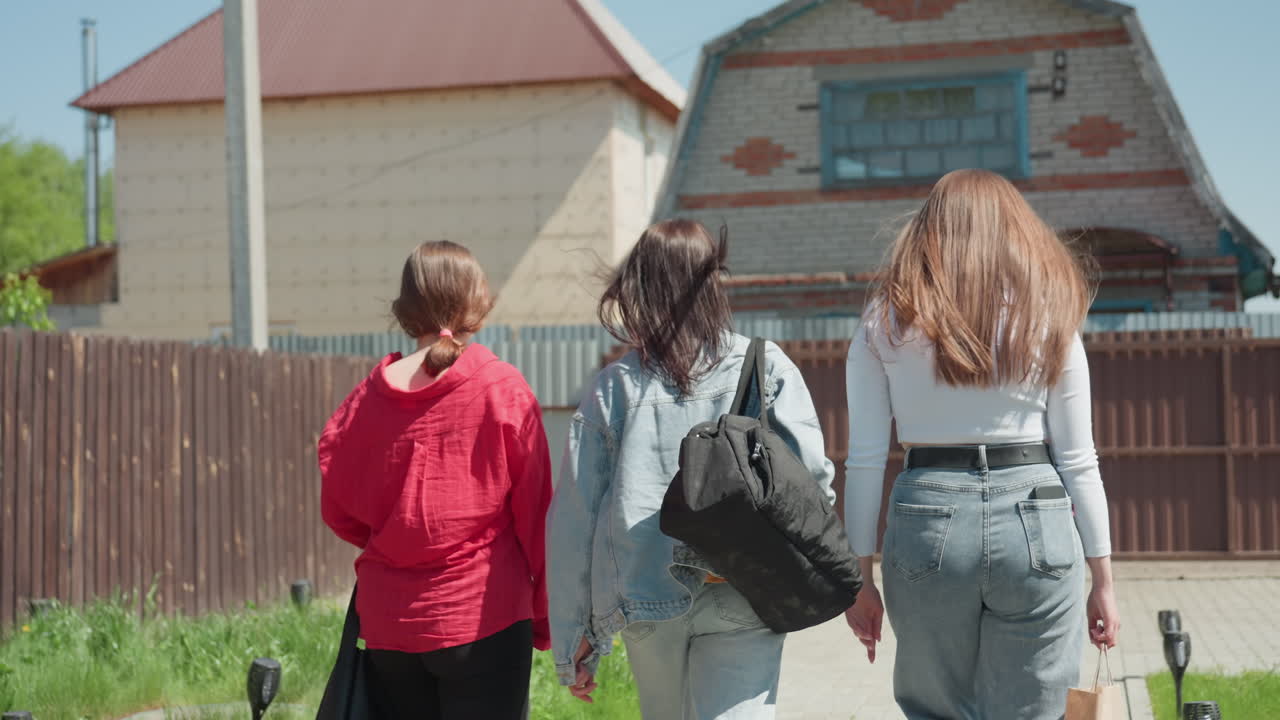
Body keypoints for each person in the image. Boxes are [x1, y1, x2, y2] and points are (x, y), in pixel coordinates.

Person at [843, 169, 1120, 719]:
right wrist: (1104, 580)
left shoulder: (886, 319)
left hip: (928, 515)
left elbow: (865, 462)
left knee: (937, 709)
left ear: (929, 230)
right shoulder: (1051, 313)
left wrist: (860, 578)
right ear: (1016, 230)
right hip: (1036, 518)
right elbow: (1078, 461)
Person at [546, 219, 836, 720]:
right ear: (713, 281)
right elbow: (813, 485)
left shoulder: (614, 388)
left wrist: (576, 638)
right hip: (745, 588)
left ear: (638, 286)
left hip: (645, 592)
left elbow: (574, 520)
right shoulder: (766, 366)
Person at [318, 240, 552, 720]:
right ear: (476, 302)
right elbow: (539, 516)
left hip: (389, 625)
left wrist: (398, 539)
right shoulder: (500, 388)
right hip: (483, 615)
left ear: (405, 308)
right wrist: (549, 618)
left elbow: (339, 510)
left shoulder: (365, 399)